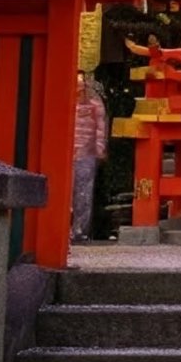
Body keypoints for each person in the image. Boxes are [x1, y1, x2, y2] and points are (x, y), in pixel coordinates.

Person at [71, 73, 109, 243]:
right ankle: (67, 229)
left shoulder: (95, 103)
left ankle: (80, 231)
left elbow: (100, 129)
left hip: (86, 152)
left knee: (83, 193)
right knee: (67, 193)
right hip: (68, 152)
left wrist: (99, 149)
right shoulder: (65, 101)